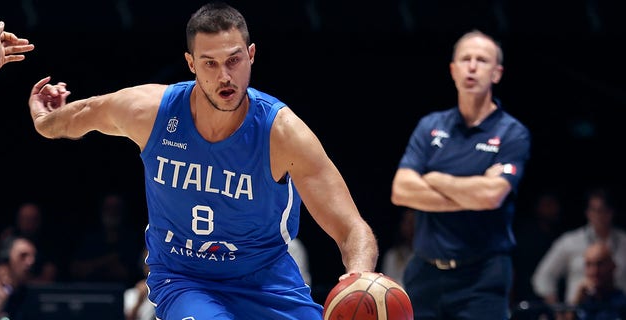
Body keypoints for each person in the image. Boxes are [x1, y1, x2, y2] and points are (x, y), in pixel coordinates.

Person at [26, 2, 378, 319]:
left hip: (267, 282)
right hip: (184, 278)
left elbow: (350, 228)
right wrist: (46, 121)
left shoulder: (283, 134)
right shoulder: (150, 112)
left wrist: (359, 277)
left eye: (234, 60)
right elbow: (81, 115)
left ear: (251, 55)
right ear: (191, 63)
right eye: (209, 63)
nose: (224, 76)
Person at [390, 29, 531, 319]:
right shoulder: (430, 125)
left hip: (482, 276)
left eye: (482, 60)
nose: (472, 66)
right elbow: (401, 190)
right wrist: (471, 193)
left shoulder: (512, 133)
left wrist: (435, 178)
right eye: (465, 59)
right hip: (425, 272)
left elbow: (492, 195)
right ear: (453, 70)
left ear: (497, 73)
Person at [532, 186, 626, 306]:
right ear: (587, 212)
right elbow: (544, 276)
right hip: (578, 311)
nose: (599, 215)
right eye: (594, 210)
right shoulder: (569, 242)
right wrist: (557, 311)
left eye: (603, 210)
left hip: (619, 310)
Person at [68, 193, 142, 287]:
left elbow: (127, 273)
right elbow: (77, 269)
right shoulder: (89, 238)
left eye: (116, 208)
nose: (112, 212)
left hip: (122, 293)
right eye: (109, 208)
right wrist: (107, 261)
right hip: (89, 291)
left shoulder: (132, 240)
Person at [511, 188, 564, 303]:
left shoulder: (560, 236)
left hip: (553, 299)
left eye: (555, 204)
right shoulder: (525, 236)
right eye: (548, 204)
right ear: (538, 207)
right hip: (525, 298)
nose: (554, 209)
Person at [0, 201, 59, 284]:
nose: (30, 262)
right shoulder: (8, 241)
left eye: (33, 219)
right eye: (23, 256)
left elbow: (48, 278)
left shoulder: (48, 245)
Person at [570, 242, 626, 320]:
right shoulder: (582, 305)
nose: (594, 271)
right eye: (589, 264)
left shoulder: (624, 306)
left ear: (612, 266)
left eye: (600, 264)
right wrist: (576, 302)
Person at [0, 236, 37, 320]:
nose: (30, 262)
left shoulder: (25, 293)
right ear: (7, 257)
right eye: (23, 255)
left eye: (32, 256)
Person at [381, 206, 414, 287]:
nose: (409, 227)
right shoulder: (392, 255)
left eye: (412, 223)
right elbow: (386, 285)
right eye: (406, 222)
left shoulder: (426, 258)